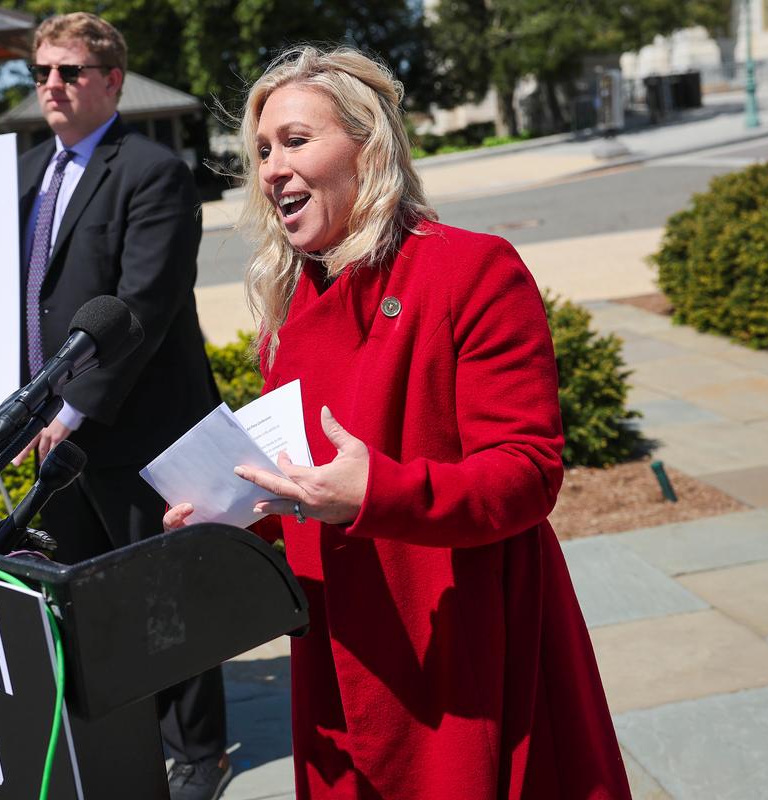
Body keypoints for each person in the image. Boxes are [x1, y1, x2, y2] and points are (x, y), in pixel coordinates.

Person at [164, 47, 632, 799]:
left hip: (461, 643)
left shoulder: (473, 270)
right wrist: (230, 520)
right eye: (259, 151)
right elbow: (300, 493)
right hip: (340, 653)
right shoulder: (286, 315)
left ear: (368, 146)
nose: (272, 168)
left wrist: (379, 490)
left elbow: (527, 473)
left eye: (295, 140)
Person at [9, 12, 230, 800]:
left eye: (69, 71)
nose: (52, 86)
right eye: (41, 72)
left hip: (138, 428)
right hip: (49, 434)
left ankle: (199, 754)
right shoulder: (26, 173)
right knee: (85, 597)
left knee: (163, 598)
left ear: (111, 81)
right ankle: (121, 739)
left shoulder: (152, 171)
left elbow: (143, 304)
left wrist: (71, 411)